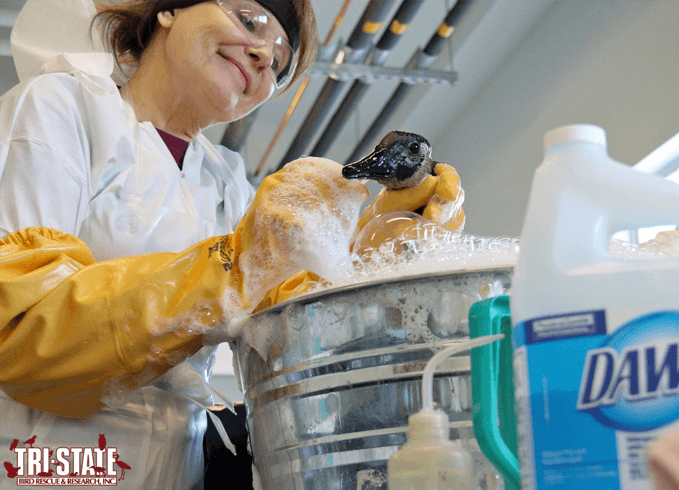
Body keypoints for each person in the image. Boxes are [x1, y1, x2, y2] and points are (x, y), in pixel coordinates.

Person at [0, 0, 466, 488]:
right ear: (170, 10)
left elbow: (289, 341)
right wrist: (236, 266)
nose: (265, 54)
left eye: (281, 62)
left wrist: (382, 244)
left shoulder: (227, 184)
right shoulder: (62, 108)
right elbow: (21, 329)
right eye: (249, 20)